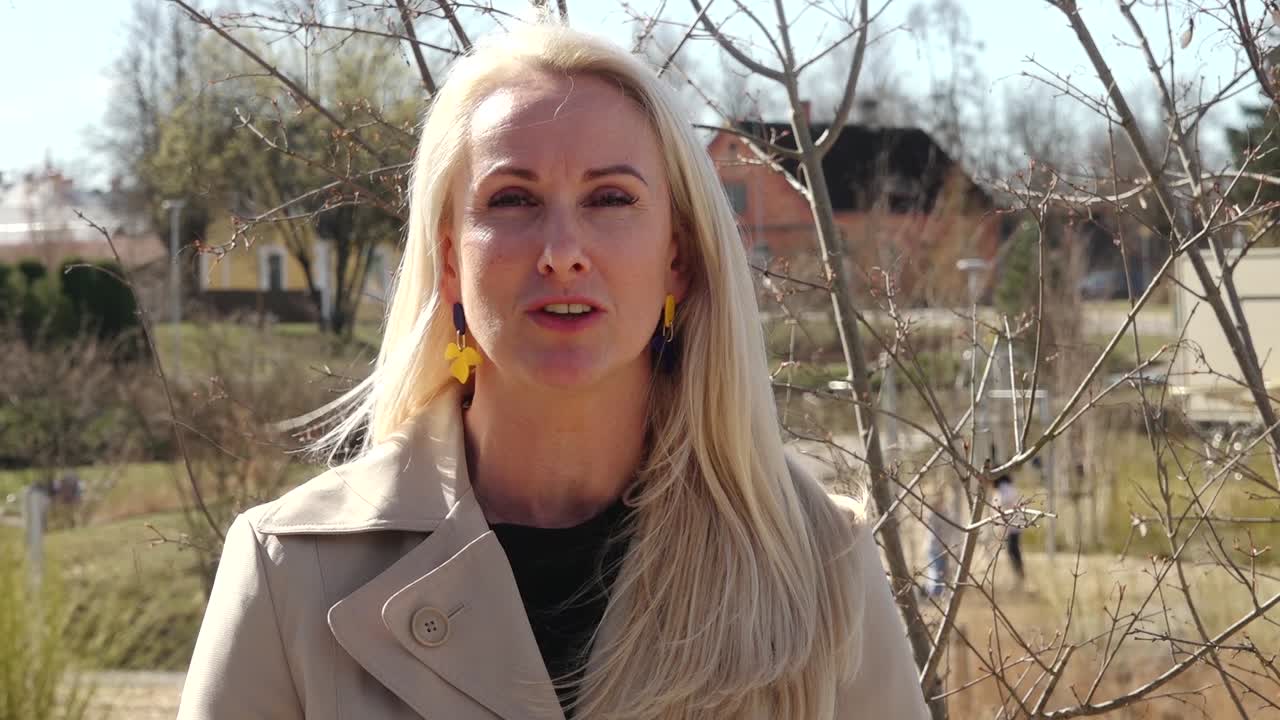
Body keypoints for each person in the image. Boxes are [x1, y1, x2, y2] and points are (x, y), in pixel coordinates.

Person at [176, 23, 928, 720]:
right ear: (448, 262)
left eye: (610, 198)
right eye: (513, 199)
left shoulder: (818, 565)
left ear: (678, 258)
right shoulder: (290, 573)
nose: (562, 250)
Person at [993, 474, 1025, 588]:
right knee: (1013, 551)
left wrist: (1002, 526)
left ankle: (1019, 577)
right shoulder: (1006, 488)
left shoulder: (1004, 489)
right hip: (1013, 526)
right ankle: (1018, 577)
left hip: (1012, 526)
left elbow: (1004, 506)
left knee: (1013, 551)